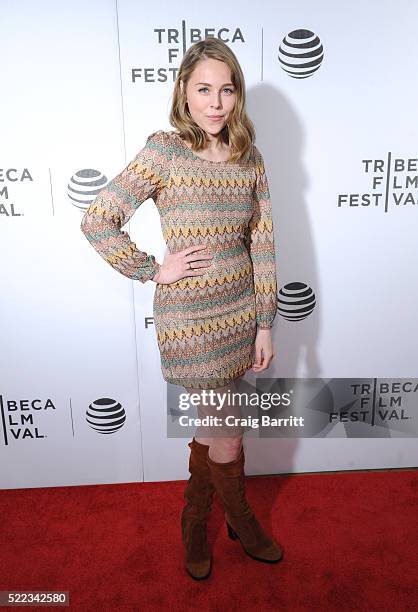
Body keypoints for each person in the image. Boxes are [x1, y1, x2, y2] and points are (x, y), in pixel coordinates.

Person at [80, 37, 283, 580]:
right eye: (203, 90)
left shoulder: (250, 157)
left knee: (215, 429)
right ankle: (238, 517)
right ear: (184, 94)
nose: (216, 102)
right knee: (230, 429)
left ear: (236, 94)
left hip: (241, 315)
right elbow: (98, 220)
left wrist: (266, 322)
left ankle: (195, 517)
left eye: (226, 89)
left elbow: (262, 241)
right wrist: (152, 268)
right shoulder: (163, 152)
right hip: (190, 323)